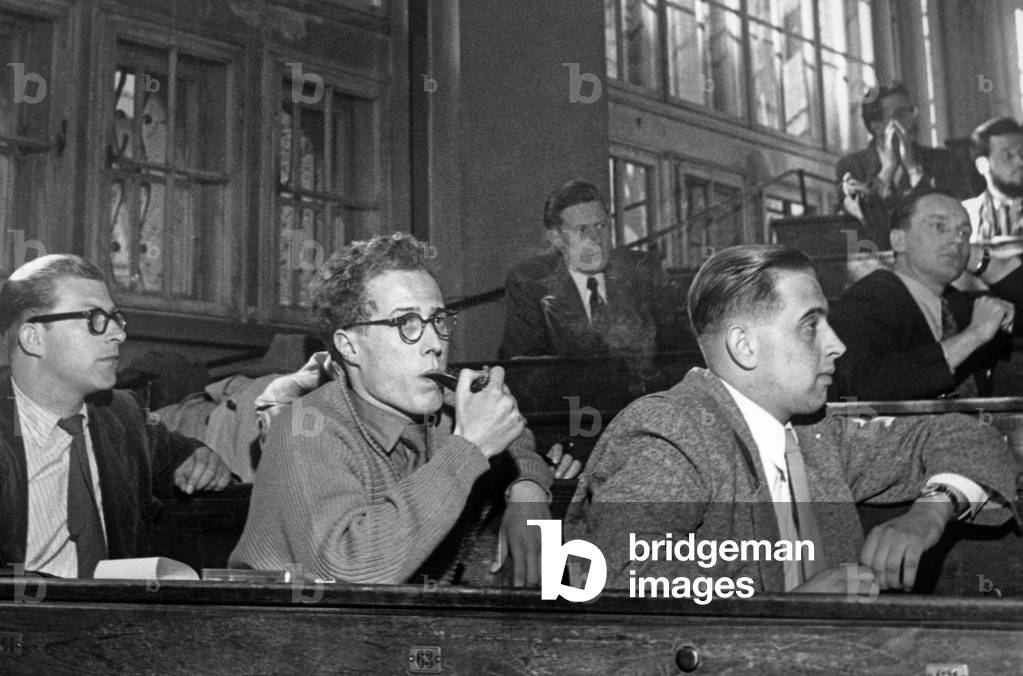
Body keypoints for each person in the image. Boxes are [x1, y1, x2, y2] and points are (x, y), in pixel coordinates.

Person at [566, 244, 1020, 593]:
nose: (837, 345)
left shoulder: (814, 432)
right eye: (811, 325)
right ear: (745, 346)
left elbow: (963, 434)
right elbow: (617, 579)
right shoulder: (670, 434)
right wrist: (786, 607)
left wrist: (932, 509)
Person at [230, 233, 560, 586]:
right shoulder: (305, 429)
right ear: (349, 346)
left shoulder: (446, 410)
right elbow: (349, 573)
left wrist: (527, 488)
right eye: (407, 324)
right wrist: (471, 448)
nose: (434, 344)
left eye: (438, 320)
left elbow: (516, 436)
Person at [0, 254, 232, 578]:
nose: (118, 335)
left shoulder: (124, 413)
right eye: (95, 318)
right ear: (33, 338)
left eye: (115, 318)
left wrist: (200, 456)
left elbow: (178, 454)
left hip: (119, 619)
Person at [500, 179, 689, 408]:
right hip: (571, 417)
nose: (595, 239)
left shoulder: (642, 271)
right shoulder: (531, 283)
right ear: (557, 238)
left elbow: (681, 353)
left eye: (601, 226)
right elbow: (526, 374)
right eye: (582, 230)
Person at [830, 191, 1020, 400]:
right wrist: (972, 337)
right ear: (898, 240)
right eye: (939, 227)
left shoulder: (962, 306)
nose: (958, 240)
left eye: (965, 232)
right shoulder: (866, 301)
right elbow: (861, 385)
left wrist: (979, 261)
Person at [837, 84, 965, 249]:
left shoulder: (943, 161)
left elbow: (946, 212)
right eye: (900, 114)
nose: (911, 120)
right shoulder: (852, 167)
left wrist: (913, 169)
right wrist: (888, 170)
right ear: (877, 127)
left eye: (910, 111)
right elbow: (862, 223)